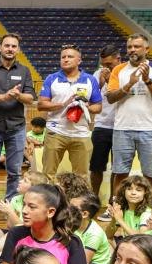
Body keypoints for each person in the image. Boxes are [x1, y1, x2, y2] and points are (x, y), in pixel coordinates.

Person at [0, 33, 36, 222]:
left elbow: (30, 97)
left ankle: (12, 205)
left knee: (14, 171)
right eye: (7, 45)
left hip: (16, 128)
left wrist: (17, 95)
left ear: (18, 49)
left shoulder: (25, 70)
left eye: (14, 46)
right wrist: (5, 96)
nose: (10, 49)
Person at [0, 184, 87, 264]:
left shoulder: (71, 242)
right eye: (24, 204)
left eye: (32, 207)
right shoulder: (16, 234)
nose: (24, 211)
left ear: (50, 212)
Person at [106, 34, 152, 190]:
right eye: (129, 47)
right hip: (123, 129)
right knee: (120, 173)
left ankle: (150, 210)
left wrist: (148, 80)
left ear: (146, 49)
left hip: (150, 129)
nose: (132, 50)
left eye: (137, 46)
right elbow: (110, 98)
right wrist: (129, 84)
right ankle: (117, 207)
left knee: (150, 174)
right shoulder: (118, 69)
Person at [38, 45, 103, 178]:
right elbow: (41, 105)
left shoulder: (90, 80)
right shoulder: (52, 78)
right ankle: (49, 199)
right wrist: (63, 104)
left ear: (79, 60)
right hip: (56, 132)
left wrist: (87, 107)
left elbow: (98, 107)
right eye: (63, 57)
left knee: (82, 177)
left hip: (81, 134)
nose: (66, 59)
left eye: (70, 57)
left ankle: (78, 199)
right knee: (48, 175)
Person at [89, 44, 121, 197]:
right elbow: (92, 98)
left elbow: (121, 97)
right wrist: (101, 82)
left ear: (118, 58)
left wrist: (109, 81)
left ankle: (112, 201)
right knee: (96, 167)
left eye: (109, 64)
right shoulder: (97, 74)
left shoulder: (125, 73)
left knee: (118, 168)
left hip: (122, 126)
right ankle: (94, 197)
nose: (106, 67)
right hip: (102, 126)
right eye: (103, 64)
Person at [70, 192, 112, 264]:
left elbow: (83, 262)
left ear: (84, 214)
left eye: (72, 208)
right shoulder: (71, 224)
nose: (67, 210)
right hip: (75, 257)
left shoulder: (95, 233)